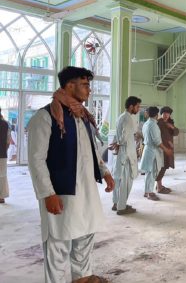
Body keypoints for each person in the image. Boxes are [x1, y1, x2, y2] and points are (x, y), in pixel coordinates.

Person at [27, 66, 115, 283]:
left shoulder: (82, 116)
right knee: (58, 241)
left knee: (85, 233)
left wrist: (105, 172)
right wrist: (48, 193)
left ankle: (82, 278)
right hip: (61, 191)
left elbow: (92, 150)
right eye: (85, 85)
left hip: (86, 189)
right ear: (69, 86)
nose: (89, 90)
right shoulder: (46, 116)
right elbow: (36, 159)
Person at [112, 96, 141, 215]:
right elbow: (124, 137)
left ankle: (116, 203)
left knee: (118, 179)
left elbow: (122, 135)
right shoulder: (128, 119)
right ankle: (122, 207)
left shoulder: (121, 117)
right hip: (126, 155)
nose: (138, 109)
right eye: (137, 106)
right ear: (131, 106)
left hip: (122, 153)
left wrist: (118, 142)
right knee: (126, 181)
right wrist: (120, 143)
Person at [139, 107, 172, 201]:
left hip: (148, 149)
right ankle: (150, 192)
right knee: (152, 172)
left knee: (149, 172)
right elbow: (157, 141)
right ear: (157, 114)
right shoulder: (153, 125)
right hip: (152, 151)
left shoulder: (147, 123)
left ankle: (147, 191)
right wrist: (166, 150)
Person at [156, 106, 179, 194]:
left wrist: (172, 127)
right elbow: (159, 137)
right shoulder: (159, 123)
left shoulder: (169, 123)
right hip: (162, 148)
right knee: (161, 167)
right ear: (161, 114)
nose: (166, 115)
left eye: (168, 114)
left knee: (165, 166)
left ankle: (159, 185)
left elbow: (177, 132)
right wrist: (168, 142)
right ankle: (159, 187)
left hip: (168, 149)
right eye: (164, 113)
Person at [0, 108, 11, 204]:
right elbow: (8, 141)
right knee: (2, 175)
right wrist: (5, 149)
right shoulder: (5, 124)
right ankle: (1, 197)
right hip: (2, 154)